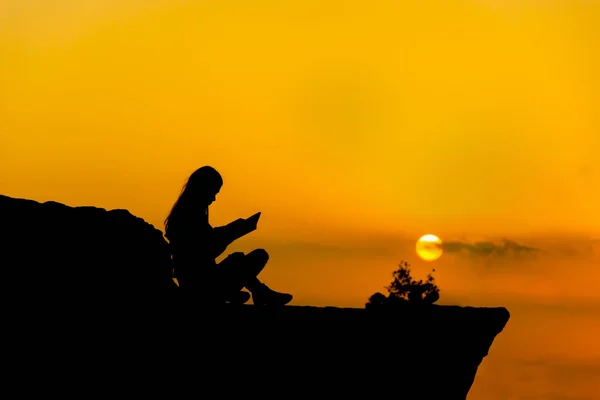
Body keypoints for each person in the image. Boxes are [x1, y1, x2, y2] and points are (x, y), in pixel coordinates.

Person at [164, 166, 293, 306]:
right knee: (258, 256)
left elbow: (207, 243)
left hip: (200, 280)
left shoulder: (186, 214)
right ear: (203, 189)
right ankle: (249, 293)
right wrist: (233, 231)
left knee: (239, 258)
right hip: (199, 285)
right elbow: (206, 250)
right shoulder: (188, 216)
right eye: (213, 192)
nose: (213, 198)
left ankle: (252, 292)